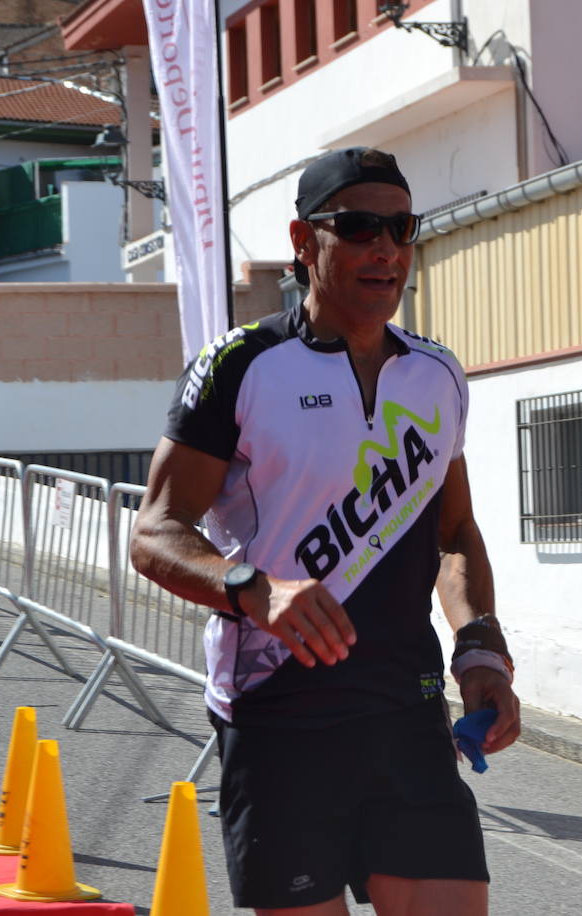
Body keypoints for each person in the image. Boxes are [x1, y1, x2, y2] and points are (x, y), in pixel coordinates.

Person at [131, 146, 521, 915]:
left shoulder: (436, 374)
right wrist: (251, 589)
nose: (386, 248)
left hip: (407, 711)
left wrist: (480, 641)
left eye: (402, 228)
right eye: (359, 227)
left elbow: (454, 530)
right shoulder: (243, 366)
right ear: (304, 243)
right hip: (280, 714)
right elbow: (155, 531)